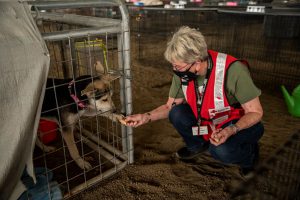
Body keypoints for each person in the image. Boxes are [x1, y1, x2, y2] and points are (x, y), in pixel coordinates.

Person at [125, 26, 264, 175]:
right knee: (176, 113)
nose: (175, 70)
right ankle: (197, 145)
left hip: (236, 122)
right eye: (173, 65)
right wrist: (146, 117)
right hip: (208, 122)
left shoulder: (233, 70)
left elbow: (255, 112)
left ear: (197, 61)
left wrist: (231, 130)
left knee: (221, 151)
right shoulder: (183, 73)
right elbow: (170, 106)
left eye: (178, 66)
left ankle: (250, 156)